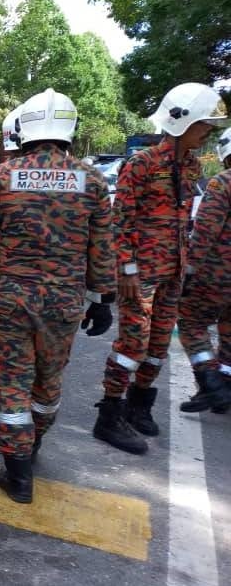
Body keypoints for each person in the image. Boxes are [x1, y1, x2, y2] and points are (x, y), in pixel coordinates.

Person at [0, 89, 115, 503]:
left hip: (9, 299)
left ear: (24, 129)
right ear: (70, 128)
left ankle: (18, 472)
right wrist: (102, 299)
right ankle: (33, 444)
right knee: (47, 382)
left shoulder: (2, 176)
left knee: (11, 383)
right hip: (64, 303)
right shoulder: (93, 181)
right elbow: (102, 247)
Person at [93, 83, 228, 454]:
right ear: (182, 122)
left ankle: (139, 405)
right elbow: (119, 221)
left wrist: (187, 268)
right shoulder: (141, 164)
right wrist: (129, 269)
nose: (208, 133)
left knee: (157, 345)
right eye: (204, 125)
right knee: (132, 342)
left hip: (172, 272)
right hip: (142, 275)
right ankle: (109, 415)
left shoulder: (191, 166)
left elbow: (185, 221)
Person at [177, 126, 231, 414]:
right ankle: (223, 385)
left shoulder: (222, 183)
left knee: (191, 324)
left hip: (217, 275)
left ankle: (211, 382)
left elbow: (205, 232)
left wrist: (190, 269)